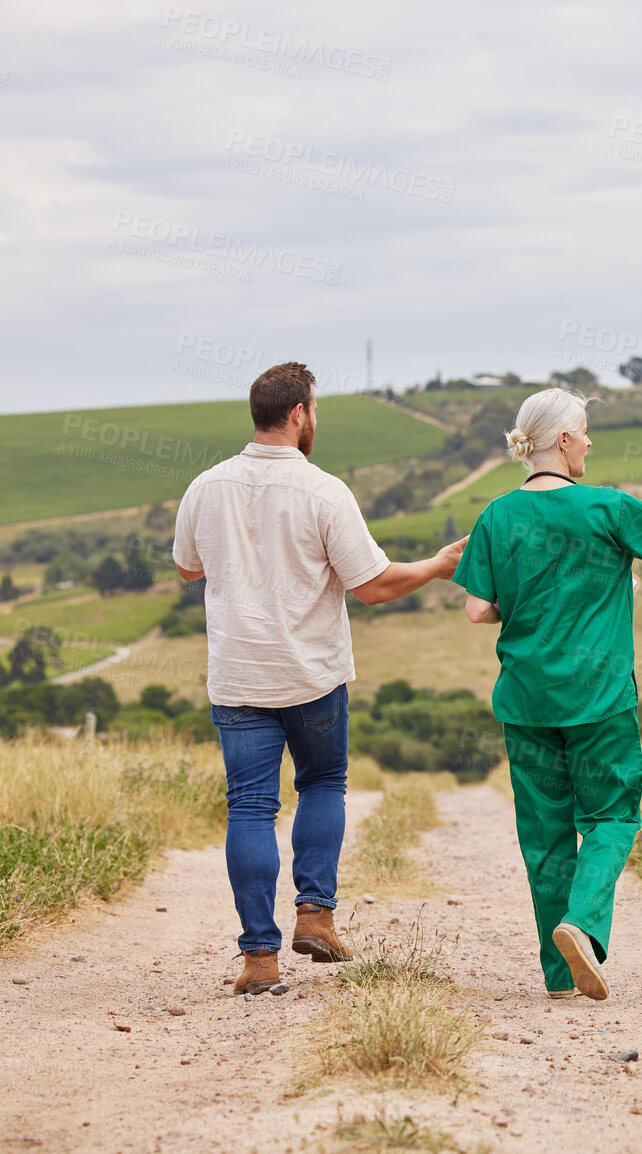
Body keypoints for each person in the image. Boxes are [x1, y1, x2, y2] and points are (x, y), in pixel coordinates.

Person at [173, 362, 466, 995]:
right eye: (317, 411)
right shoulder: (324, 491)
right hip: (312, 677)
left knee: (249, 808)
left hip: (238, 677)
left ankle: (259, 960)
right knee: (323, 783)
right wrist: (439, 566)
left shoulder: (205, 486)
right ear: (301, 413)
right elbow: (373, 586)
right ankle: (315, 914)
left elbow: (187, 570)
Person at [453, 388, 642, 1000]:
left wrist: (532, 598)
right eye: (584, 431)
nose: (589, 441)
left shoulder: (495, 516)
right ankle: (582, 923)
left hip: (526, 700)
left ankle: (559, 979)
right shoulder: (607, 508)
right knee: (612, 815)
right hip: (599, 699)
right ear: (562, 440)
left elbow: (479, 610)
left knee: (545, 836)